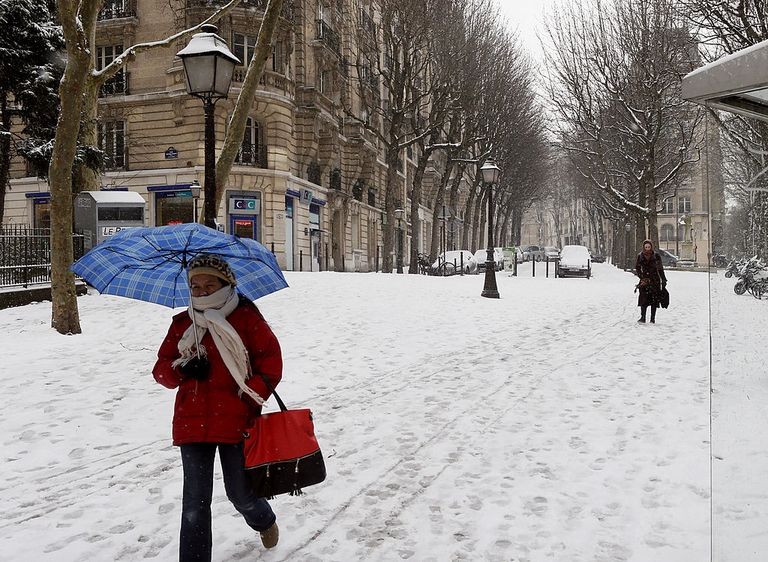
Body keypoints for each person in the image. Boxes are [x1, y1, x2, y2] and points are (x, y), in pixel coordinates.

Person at [153, 254, 282, 561]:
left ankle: (263, 519)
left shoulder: (247, 318)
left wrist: (248, 396)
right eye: (194, 286)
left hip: (237, 419)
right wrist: (182, 369)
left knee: (240, 493)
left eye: (209, 285)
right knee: (194, 503)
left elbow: (271, 365)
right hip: (191, 421)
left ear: (226, 285)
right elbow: (161, 369)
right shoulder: (183, 324)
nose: (200, 292)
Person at [634, 239, 667, 324]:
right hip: (645, 281)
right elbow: (637, 267)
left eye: (649, 247)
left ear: (651, 247)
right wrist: (641, 277)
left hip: (655, 280)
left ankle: (652, 319)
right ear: (643, 247)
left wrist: (663, 279)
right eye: (646, 247)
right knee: (643, 300)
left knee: (654, 300)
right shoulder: (640, 256)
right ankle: (643, 317)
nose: (647, 248)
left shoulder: (656, 256)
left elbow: (660, 269)